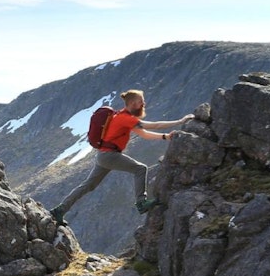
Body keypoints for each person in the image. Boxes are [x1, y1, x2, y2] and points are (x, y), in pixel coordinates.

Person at [51, 89, 191, 224]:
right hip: (109, 156)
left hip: (103, 156)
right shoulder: (125, 118)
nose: (144, 104)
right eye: (141, 102)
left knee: (88, 185)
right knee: (140, 169)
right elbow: (153, 125)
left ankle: (60, 210)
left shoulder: (122, 117)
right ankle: (141, 203)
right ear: (132, 104)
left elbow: (144, 134)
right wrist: (180, 122)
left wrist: (166, 137)